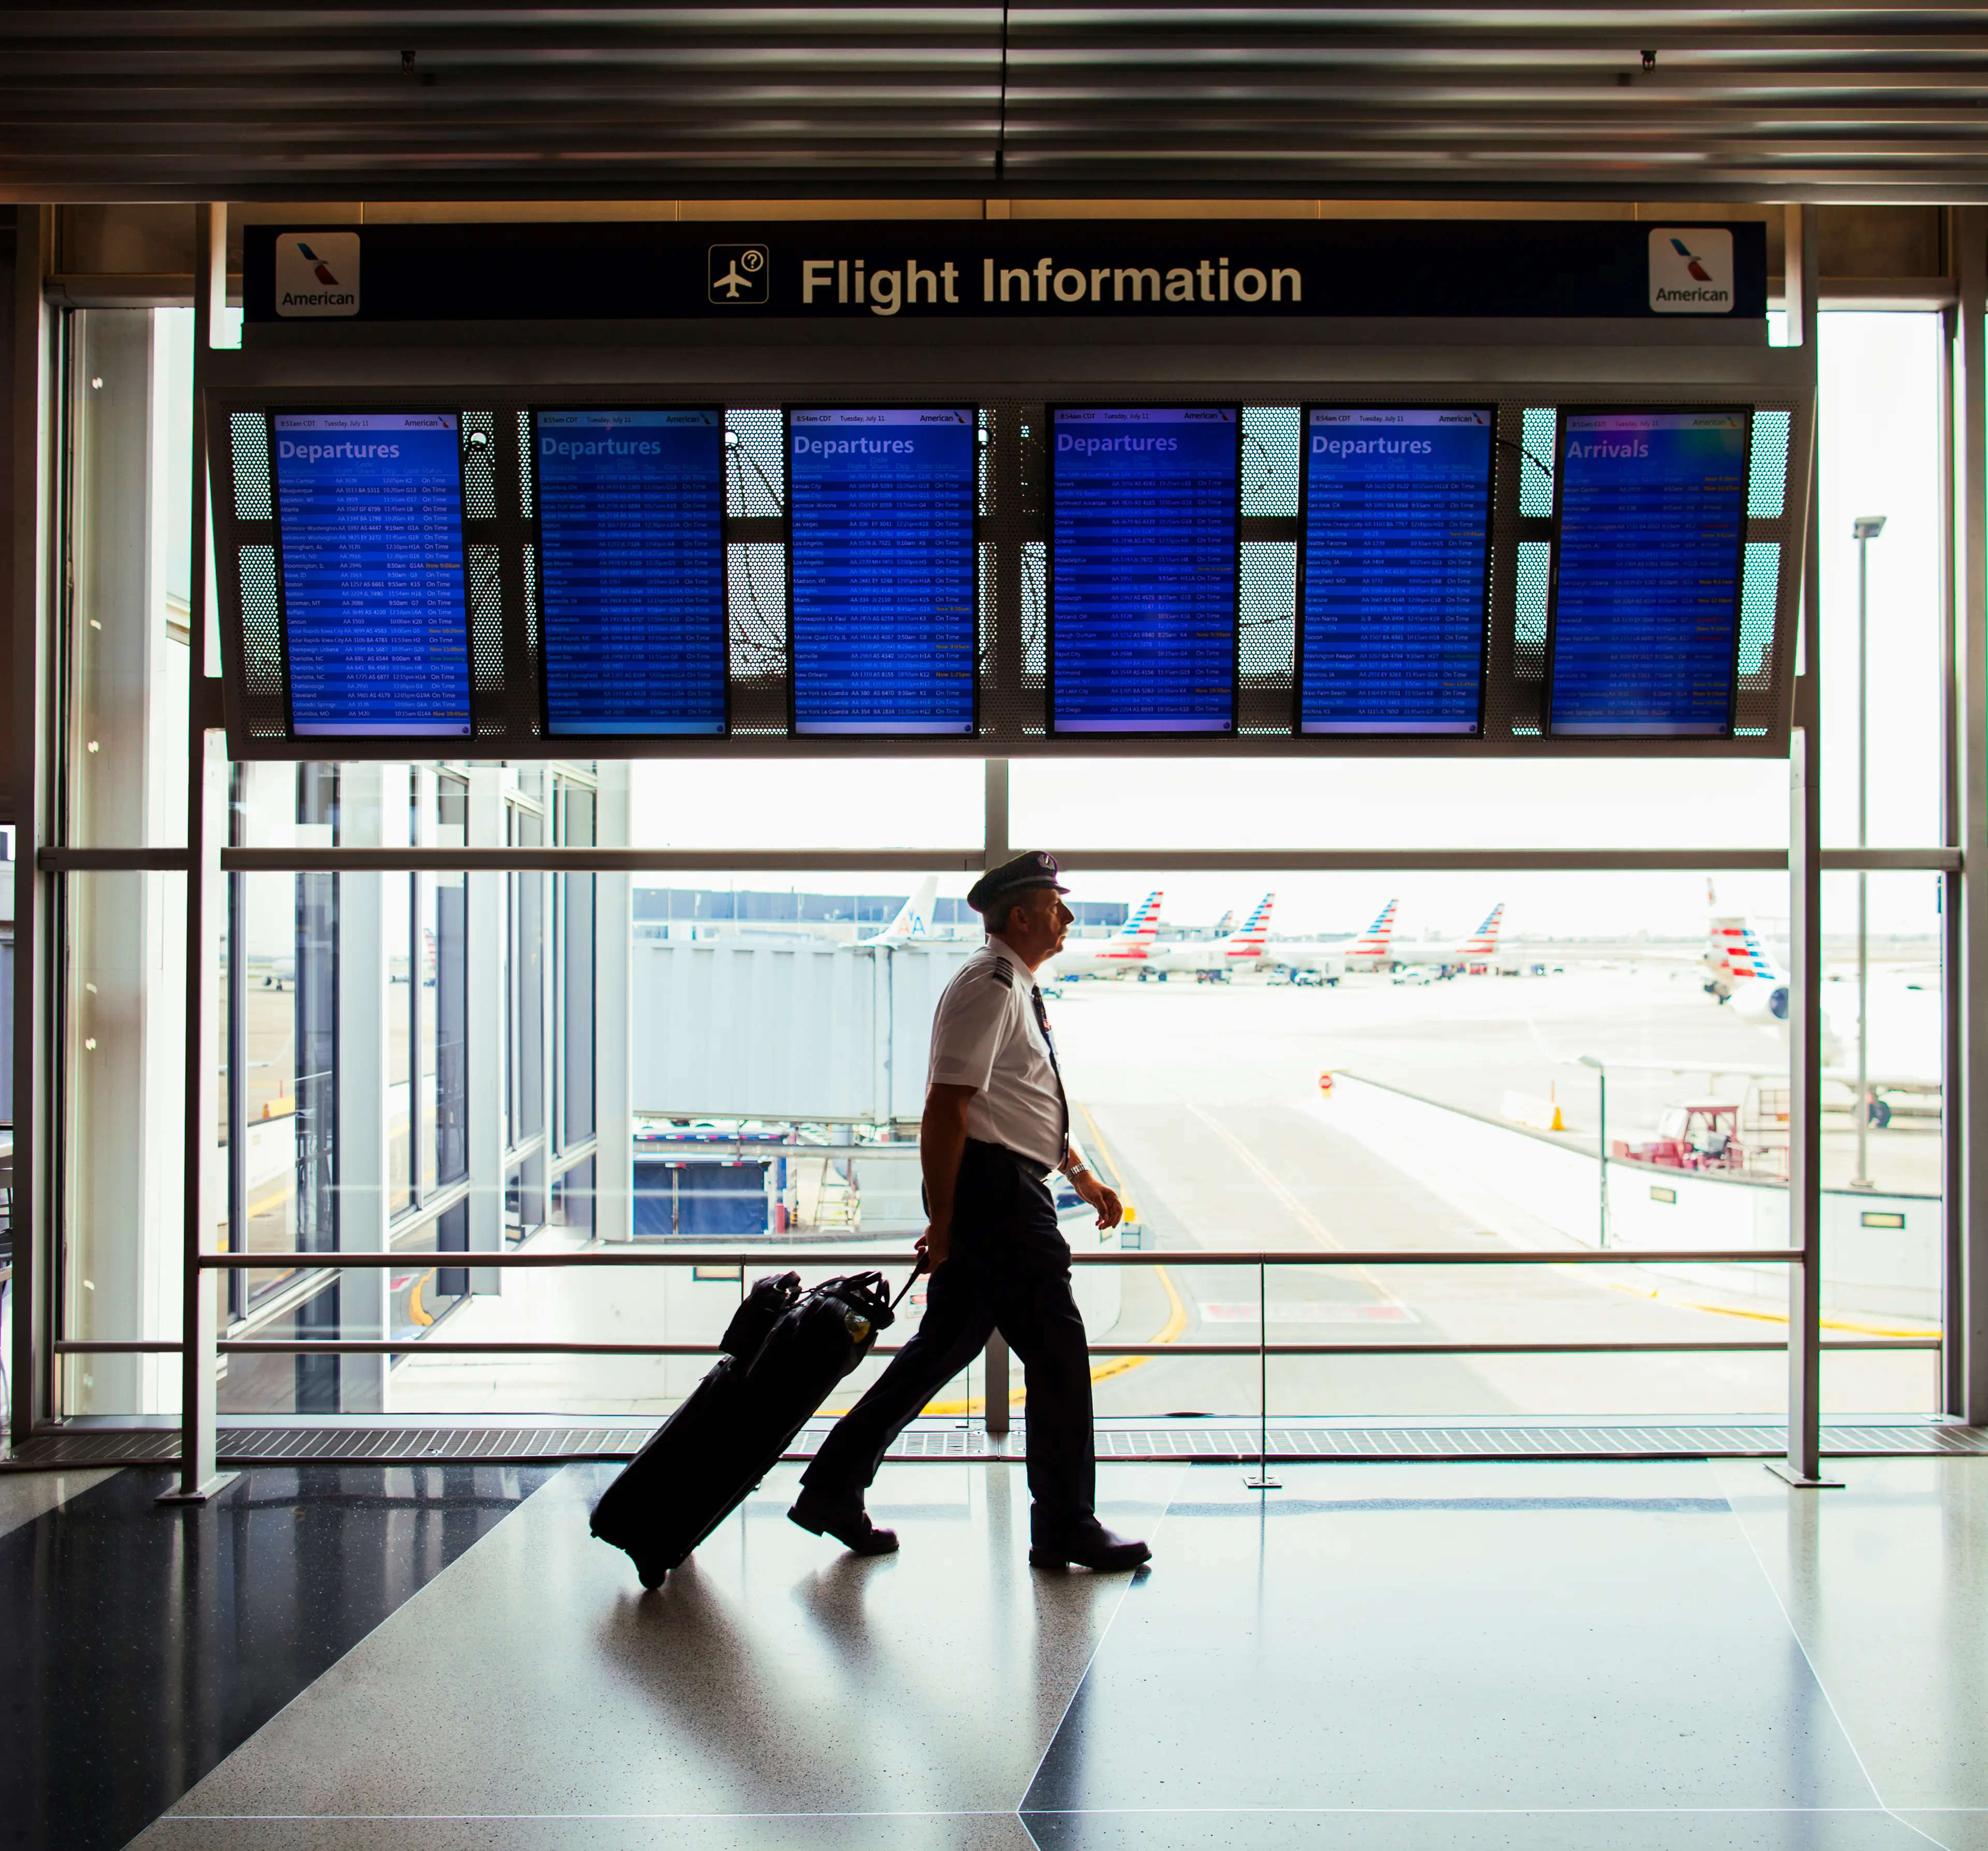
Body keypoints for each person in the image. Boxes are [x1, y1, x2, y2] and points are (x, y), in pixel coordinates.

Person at [789, 850, 1152, 1573]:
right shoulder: (988, 987)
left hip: (1003, 1189)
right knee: (1057, 1356)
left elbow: (1011, 1104)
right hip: (997, 1199)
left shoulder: (1014, 986)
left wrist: (1078, 1174)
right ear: (1020, 916)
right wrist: (947, 1218)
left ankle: (831, 1486)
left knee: (943, 1348)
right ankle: (1064, 1525)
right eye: (1056, 906)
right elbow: (947, 1106)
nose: (1068, 918)